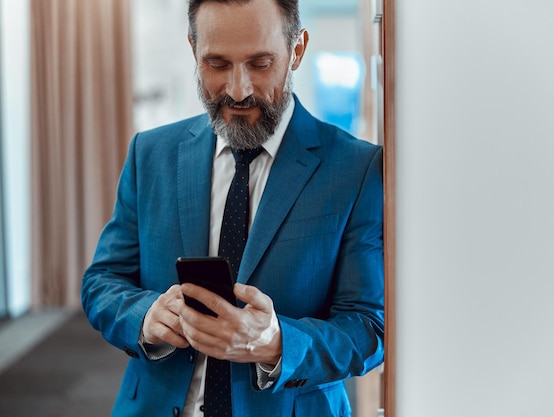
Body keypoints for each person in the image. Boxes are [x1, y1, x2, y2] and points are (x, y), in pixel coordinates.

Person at [81, 0, 384, 416]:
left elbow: (370, 327)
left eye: (260, 64)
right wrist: (145, 316)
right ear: (193, 50)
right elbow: (102, 280)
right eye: (217, 64)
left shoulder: (356, 168)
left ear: (297, 50)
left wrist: (277, 342)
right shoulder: (149, 154)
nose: (238, 90)